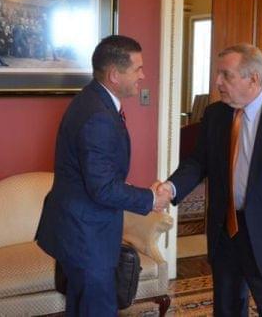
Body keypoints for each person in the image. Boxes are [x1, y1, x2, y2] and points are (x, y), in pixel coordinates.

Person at [157, 43, 262, 316]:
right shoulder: (215, 115)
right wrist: (170, 187)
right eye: (217, 74)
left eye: (226, 75)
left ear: (253, 79)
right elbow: (198, 162)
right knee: (226, 310)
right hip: (227, 233)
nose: (217, 82)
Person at [35, 35, 170, 316]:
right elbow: (103, 188)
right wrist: (149, 198)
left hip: (79, 231)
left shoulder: (93, 100)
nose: (143, 76)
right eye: (137, 69)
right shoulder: (97, 115)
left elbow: (100, 176)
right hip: (87, 237)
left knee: (82, 307)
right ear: (114, 75)